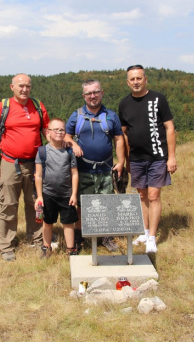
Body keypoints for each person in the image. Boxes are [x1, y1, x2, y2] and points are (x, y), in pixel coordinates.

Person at [0, 74, 50, 262]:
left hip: (35, 163)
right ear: (12, 87)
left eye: (28, 86)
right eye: (21, 86)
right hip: (10, 162)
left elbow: (47, 131)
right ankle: (6, 245)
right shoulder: (3, 107)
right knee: (8, 204)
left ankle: (37, 238)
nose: (24, 89)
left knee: (35, 202)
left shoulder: (38, 106)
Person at [118, 65, 177, 253]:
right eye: (132, 79)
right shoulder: (124, 104)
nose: (136, 82)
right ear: (128, 82)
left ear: (145, 79)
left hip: (158, 157)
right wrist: (126, 160)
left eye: (139, 78)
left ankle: (152, 237)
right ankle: (143, 231)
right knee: (142, 196)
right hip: (136, 158)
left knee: (153, 195)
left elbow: (169, 128)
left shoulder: (158, 99)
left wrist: (172, 157)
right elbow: (123, 134)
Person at [64, 79, 125, 252]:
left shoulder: (111, 115)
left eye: (96, 92)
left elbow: (119, 139)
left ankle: (106, 236)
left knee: (106, 203)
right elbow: (66, 136)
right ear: (84, 96)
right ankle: (80, 235)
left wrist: (121, 162)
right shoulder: (76, 115)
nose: (93, 96)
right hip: (82, 169)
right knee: (82, 205)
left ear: (102, 93)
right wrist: (74, 144)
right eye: (89, 93)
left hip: (106, 169)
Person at [34, 118, 79, 257]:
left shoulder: (69, 152)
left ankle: (71, 249)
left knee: (68, 223)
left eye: (62, 129)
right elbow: (39, 175)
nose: (59, 132)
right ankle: (46, 248)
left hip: (67, 194)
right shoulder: (42, 151)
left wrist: (74, 194)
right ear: (48, 132)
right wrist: (40, 196)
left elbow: (74, 174)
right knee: (47, 222)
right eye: (56, 129)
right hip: (48, 194)